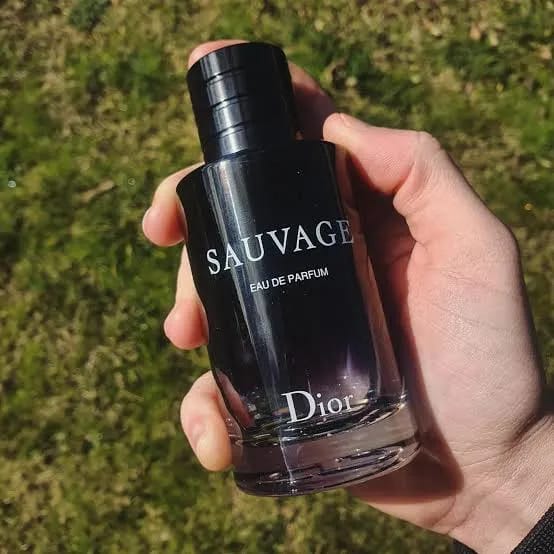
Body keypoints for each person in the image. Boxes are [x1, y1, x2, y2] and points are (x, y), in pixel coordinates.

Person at [142, 40, 553, 553]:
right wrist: (509, 483)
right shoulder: (204, 188)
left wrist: (513, 461)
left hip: (394, 418)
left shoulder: (325, 162)